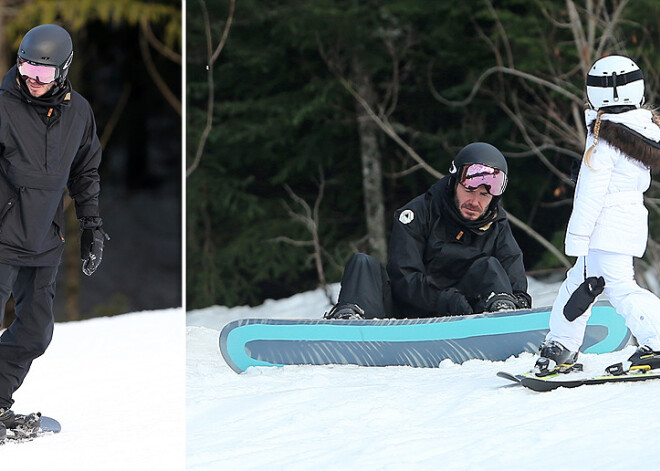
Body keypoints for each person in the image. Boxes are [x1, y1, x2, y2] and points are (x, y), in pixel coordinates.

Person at [0, 24, 107, 441]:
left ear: (63, 71)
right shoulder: (3, 106)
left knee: (36, 331)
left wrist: (92, 226)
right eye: (27, 67)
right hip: (2, 236)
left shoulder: (79, 112)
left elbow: (86, 172)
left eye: (44, 74)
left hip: (44, 239)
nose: (33, 79)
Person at [533, 55, 660, 376]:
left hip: (606, 225)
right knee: (579, 282)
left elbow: (590, 194)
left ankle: (656, 341)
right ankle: (562, 343)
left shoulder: (605, 137)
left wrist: (577, 237)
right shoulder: (640, 128)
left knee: (619, 287)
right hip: (625, 221)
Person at [325, 142, 531, 320]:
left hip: (469, 317)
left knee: (490, 267)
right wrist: (448, 300)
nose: (475, 202)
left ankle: (502, 318)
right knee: (362, 263)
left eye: (484, 195)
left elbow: (514, 279)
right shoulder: (416, 214)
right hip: (402, 317)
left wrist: (517, 304)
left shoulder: (496, 223)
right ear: (453, 183)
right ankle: (350, 323)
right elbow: (404, 279)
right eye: (469, 190)